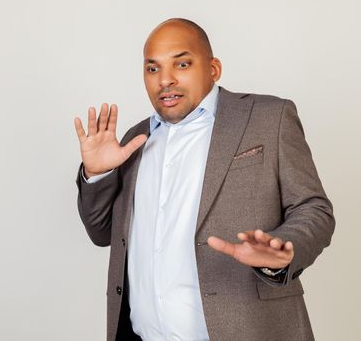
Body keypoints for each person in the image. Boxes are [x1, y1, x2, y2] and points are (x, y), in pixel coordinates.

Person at [74, 18, 335, 341]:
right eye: (152, 69)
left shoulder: (268, 117)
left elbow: (314, 208)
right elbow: (101, 233)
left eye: (181, 64)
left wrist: (285, 248)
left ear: (213, 69)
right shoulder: (134, 139)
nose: (165, 80)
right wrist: (98, 174)